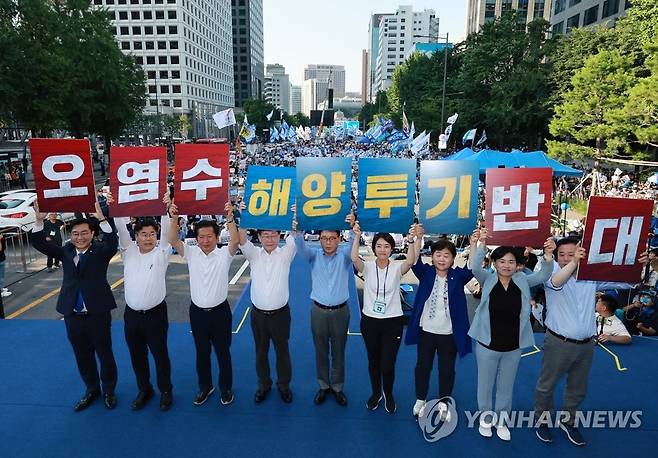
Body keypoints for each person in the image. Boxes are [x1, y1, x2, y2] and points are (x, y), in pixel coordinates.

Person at [534, 237, 647, 446]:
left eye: (572, 253)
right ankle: (543, 421)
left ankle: (569, 422)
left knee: (578, 388)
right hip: (558, 342)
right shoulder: (549, 272)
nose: (567, 258)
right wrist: (574, 262)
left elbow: (627, 282)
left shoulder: (591, 276)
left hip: (587, 344)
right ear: (556, 256)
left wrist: (639, 264)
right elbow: (557, 283)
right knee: (546, 386)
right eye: (562, 254)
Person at [30, 199, 119, 411]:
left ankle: (109, 390)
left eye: (84, 233)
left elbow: (112, 242)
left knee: (104, 353)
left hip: (97, 312)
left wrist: (102, 219)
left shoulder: (100, 251)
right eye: (75, 234)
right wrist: (39, 220)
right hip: (72, 313)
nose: (79, 237)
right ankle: (91, 389)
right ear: (71, 236)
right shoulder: (66, 251)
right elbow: (40, 244)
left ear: (92, 233)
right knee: (82, 354)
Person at [469, 229, 555, 441]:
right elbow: (473, 267)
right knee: (485, 384)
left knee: (506, 386)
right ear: (495, 263)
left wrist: (548, 255)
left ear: (517, 264)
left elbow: (544, 275)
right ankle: (486, 418)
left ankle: (501, 420)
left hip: (513, 345)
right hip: (487, 344)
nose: (506, 265)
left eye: (511, 261)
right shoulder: (487, 279)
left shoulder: (522, 281)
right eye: (501, 261)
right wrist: (481, 243)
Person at [169, 200, 239, 407]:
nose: (206, 240)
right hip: (197, 313)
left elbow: (235, 240)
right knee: (201, 353)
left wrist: (230, 216)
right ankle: (205, 387)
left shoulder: (224, 254)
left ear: (217, 237)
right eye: (201, 237)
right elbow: (172, 239)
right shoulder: (191, 253)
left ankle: (226, 388)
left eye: (210, 236)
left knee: (223, 352)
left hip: (220, 312)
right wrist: (173, 217)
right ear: (196, 238)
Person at [108, 192, 174, 411]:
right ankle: (144, 389)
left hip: (155, 314)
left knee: (160, 355)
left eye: (152, 234)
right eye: (143, 234)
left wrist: (166, 208)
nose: (148, 238)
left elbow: (167, 232)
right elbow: (120, 228)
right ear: (136, 236)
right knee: (137, 356)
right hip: (132, 316)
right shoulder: (128, 251)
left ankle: (166, 390)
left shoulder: (162, 252)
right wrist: (114, 205)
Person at [405, 226, 477, 420]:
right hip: (426, 332)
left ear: (453, 259)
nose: (442, 259)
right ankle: (421, 399)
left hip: (449, 334)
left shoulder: (458, 276)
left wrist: (473, 243)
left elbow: (471, 268)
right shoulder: (426, 273)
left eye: (446, 255)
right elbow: (413, 261)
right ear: (432, 257)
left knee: (446, 370)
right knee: (422, 367)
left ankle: (444, 402)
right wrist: (415, 240)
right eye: (438, 254)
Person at [351, 221, 418, 414]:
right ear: (373, 248)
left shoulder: (397, 268)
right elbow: (354, 258)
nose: (382, 250)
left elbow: (411, 261)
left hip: (393, 322)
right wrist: (356, 235)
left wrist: (411, 241)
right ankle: (375, 393)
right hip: (370, 321)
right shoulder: (368, 267)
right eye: (379, 246)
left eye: (386, 246)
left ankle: (388, 393)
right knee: (373, 362)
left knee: (387, 364)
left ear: (391, 249)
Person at [295, 213, 353, 407]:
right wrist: (298, 224)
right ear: (319, 239)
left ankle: (337, 387)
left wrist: (353, 227)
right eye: (324, 238)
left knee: (338, 352)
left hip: (340, 312)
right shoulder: (313, 256)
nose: (328, 242)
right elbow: (299, 244)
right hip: (318, 311)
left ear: (339, 239)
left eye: (332, 238)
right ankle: (323, 385)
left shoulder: (345, 256)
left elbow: (354, 243)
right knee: (320, 351)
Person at [238, 223, 297, 404]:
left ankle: (284, 385)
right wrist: (244, 218)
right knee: (260, 352)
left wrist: (294, 218)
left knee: (282, 351)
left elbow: (295, 234)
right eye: (265, 235)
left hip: (280, 315)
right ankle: (264, 385)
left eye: (273, 235)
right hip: (259, 316)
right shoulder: (254, 254)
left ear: (279, 236)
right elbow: (241, 240)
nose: (270, 239)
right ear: (260, 237)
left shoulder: (286, 254)